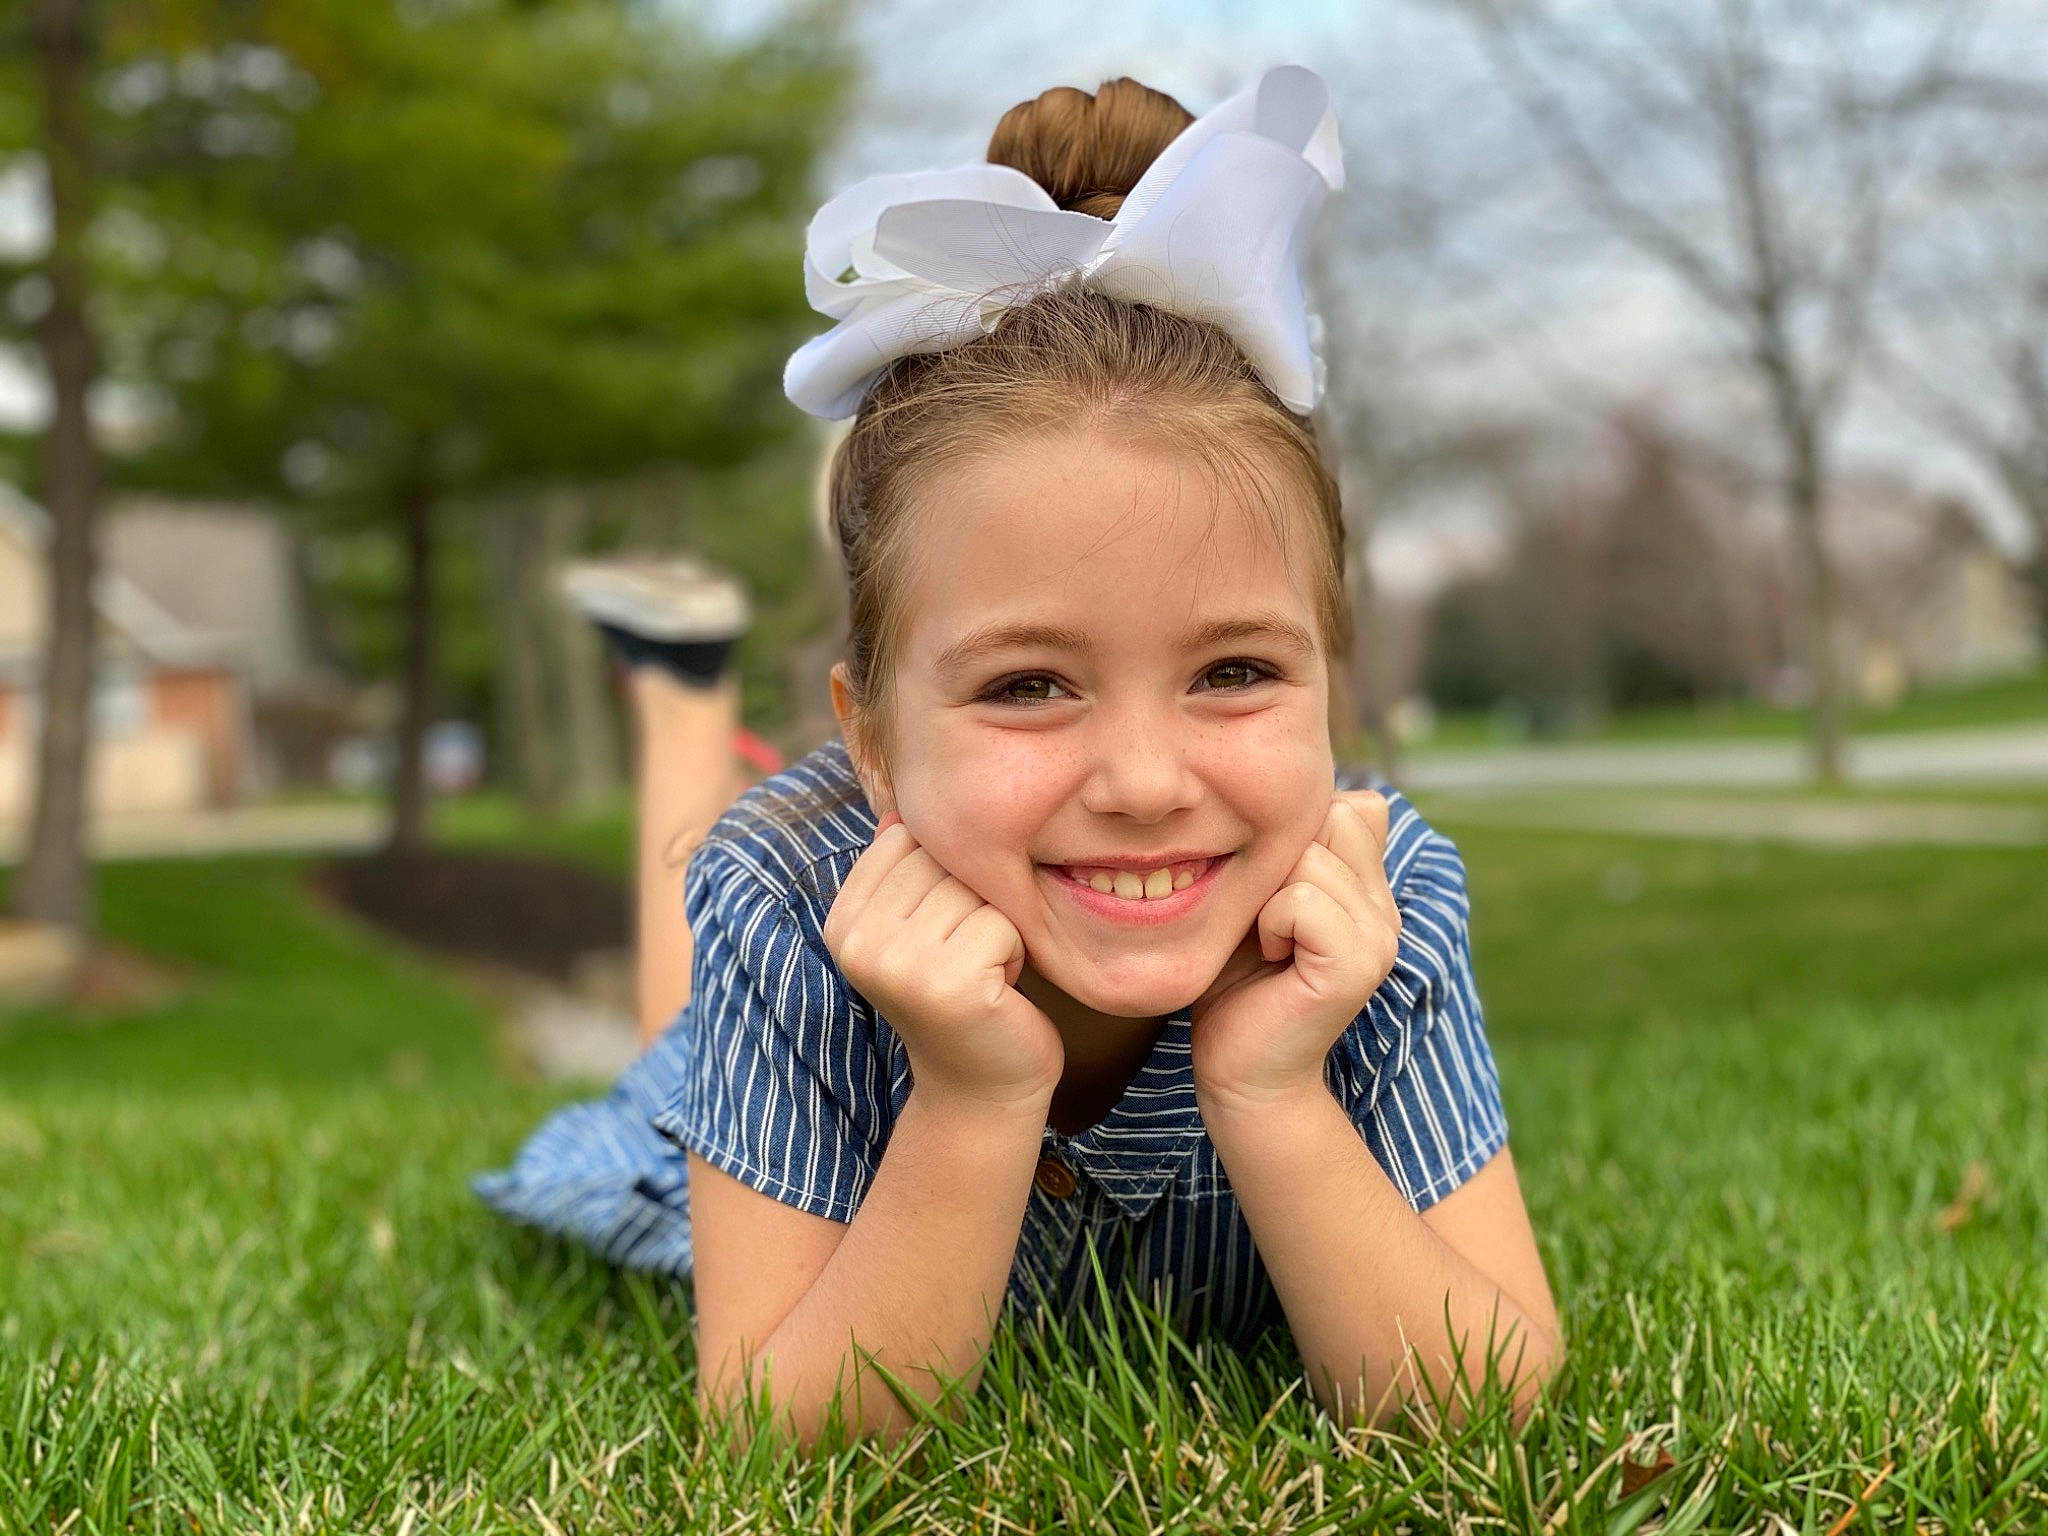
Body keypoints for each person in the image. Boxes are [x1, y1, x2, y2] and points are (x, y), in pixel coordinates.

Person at [477, 64, 1561, 1450]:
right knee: (680, 1052)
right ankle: (688, 712)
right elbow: (779, 1442)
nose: (1146, 780)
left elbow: (1486, 1407)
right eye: (1031, 684)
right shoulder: (783, 898)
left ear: (1330, 677)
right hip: (763, 997)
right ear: (867, 738)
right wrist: (975, 1097)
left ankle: (698, 693)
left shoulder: (1381, 901)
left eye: (1234, 672)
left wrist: (1273, 1088)